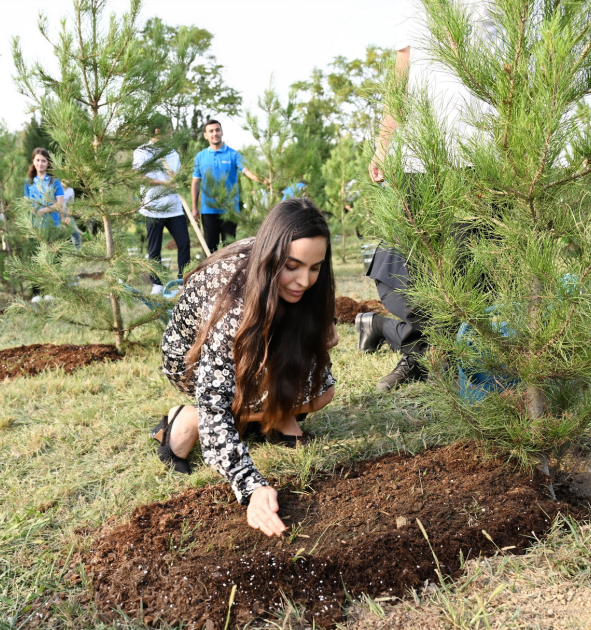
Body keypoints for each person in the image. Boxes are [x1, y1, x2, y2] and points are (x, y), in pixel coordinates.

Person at [155, 198, 338, 537]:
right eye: (293, 266)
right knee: (210, 416)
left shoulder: (290, 268)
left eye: (315, 268)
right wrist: (252, 487)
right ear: (272, 256)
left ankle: (264, 417)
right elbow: (214, 397)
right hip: (192, 364)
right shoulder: (232, 301)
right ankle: (188, 419)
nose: (304, 280)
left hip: (255, 350)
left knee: (322, 391)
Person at [359, 0, 495, 391]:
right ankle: (418, 356)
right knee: (411, 266)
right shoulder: (414, 6)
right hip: (421, 155)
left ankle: (468, 357)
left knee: (476, 265)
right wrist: (384, 143)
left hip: (483, 153)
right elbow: (401, 76)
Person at [191, 119, 269, 252]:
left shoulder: (233, 154)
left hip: (230, 209)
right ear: (205, 135)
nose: (215, 133)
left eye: (217, 130)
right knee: (210, 247)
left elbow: (247, 171)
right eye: (211, 131)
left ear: (222, 132)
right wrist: (194, 208)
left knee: (230, 248)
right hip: (208, 210)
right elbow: (195, 182)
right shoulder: (200, 157)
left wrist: (263, 180)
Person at [133, 126, 190, 294]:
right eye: (167, 129)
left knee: (184, 243)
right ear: (157, 130)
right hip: (153, 208)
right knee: (154, 249)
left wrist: (175, 178)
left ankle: (183, 282)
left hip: (174, 207)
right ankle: (156, 284)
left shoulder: (173, 153)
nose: (170, 133)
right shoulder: (142, 151)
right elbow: (138, 177)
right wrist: (164, 183)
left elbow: (178, 179)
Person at [24, 148, 65, 302]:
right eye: (37, 160)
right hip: (35, 227)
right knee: (36, 260)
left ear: (48, 163)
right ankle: (37, 293)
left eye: (43, 161)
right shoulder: (29, 182)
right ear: (33, 161)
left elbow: (59, 204)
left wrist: (43, 210)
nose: (40, 163)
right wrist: (32, 210)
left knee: (53, 259)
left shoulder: (55, 181)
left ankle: (53, 292)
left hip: (52, 226)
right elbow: (26, 202)